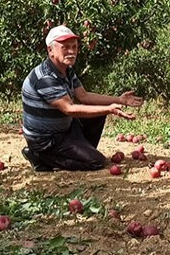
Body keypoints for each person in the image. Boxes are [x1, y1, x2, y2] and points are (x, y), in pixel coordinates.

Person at [20, 25, 143, 171]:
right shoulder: (45, 78)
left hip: (64, 129)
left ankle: (81, 151)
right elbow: (69, 108)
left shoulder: (66, 70)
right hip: (47, 140)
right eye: (65, 47)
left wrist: (118, 100)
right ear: (50, 50)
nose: (72, 52)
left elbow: (84, 96)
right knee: (96, 162)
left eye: (74, 47)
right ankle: (41, 157)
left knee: (97, 115)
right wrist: (110, 109)